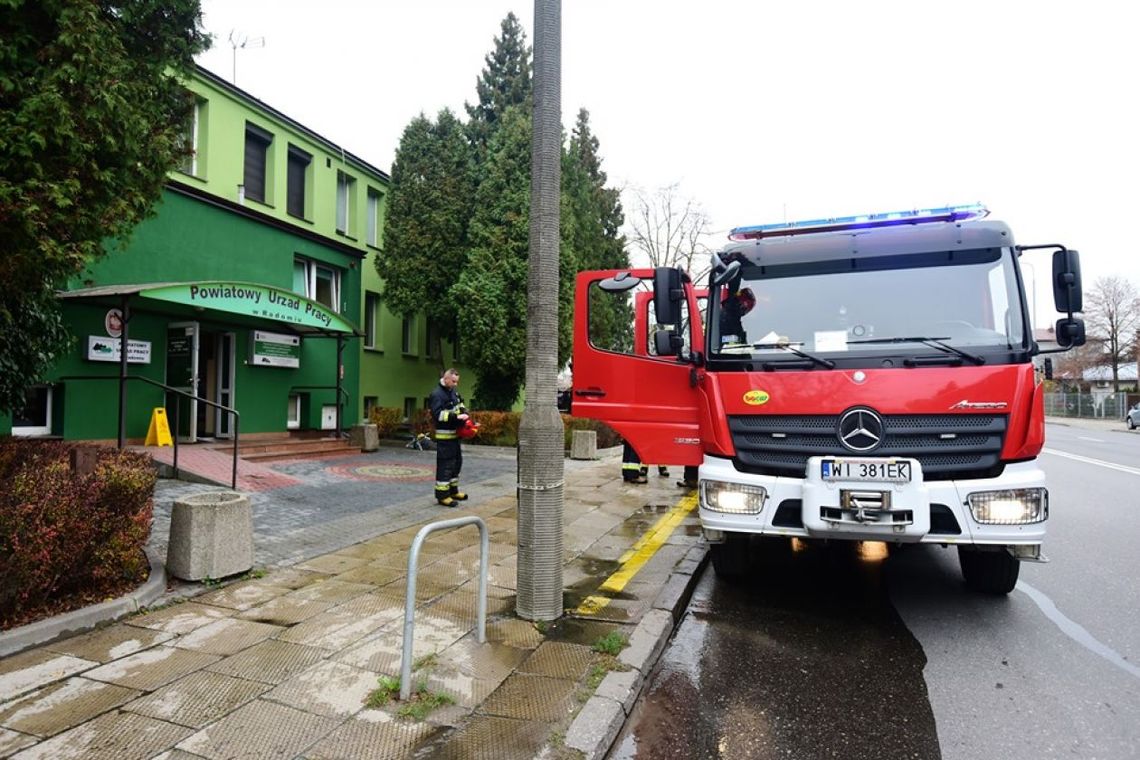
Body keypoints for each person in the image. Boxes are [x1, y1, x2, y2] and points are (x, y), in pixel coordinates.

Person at [430, 367, 468, 507]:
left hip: (455, 436)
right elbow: (438, 415)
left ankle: (453, 491)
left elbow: (460, 403)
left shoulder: (452, 392)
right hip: (445, 438)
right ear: (446, 379)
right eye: (453, 381)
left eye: (457, 382)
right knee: (445, 466)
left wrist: (464, 412)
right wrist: (456, 416)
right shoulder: (437, 394)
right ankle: (442, 496)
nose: (455, 384)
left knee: (456, 464)